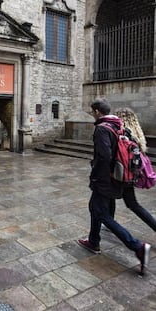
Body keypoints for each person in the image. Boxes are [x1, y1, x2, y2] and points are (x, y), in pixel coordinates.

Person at [77, 98, 150, 274]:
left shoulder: (102, 128)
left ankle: (137, 247)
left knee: (100, 212)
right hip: (119, 177)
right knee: (97, 209)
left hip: (105, 180)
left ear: (96, 112)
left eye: (92, 112)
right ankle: (93, 241)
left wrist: (95, 178)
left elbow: (104, 156)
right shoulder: (119, 125)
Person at [112, 108, 156, 231]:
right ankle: (109, 221)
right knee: (113, 198)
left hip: (124, 173)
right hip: (131, 173)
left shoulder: (124, 134)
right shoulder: (136, 133)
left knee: (132, 204)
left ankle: (108, 221)